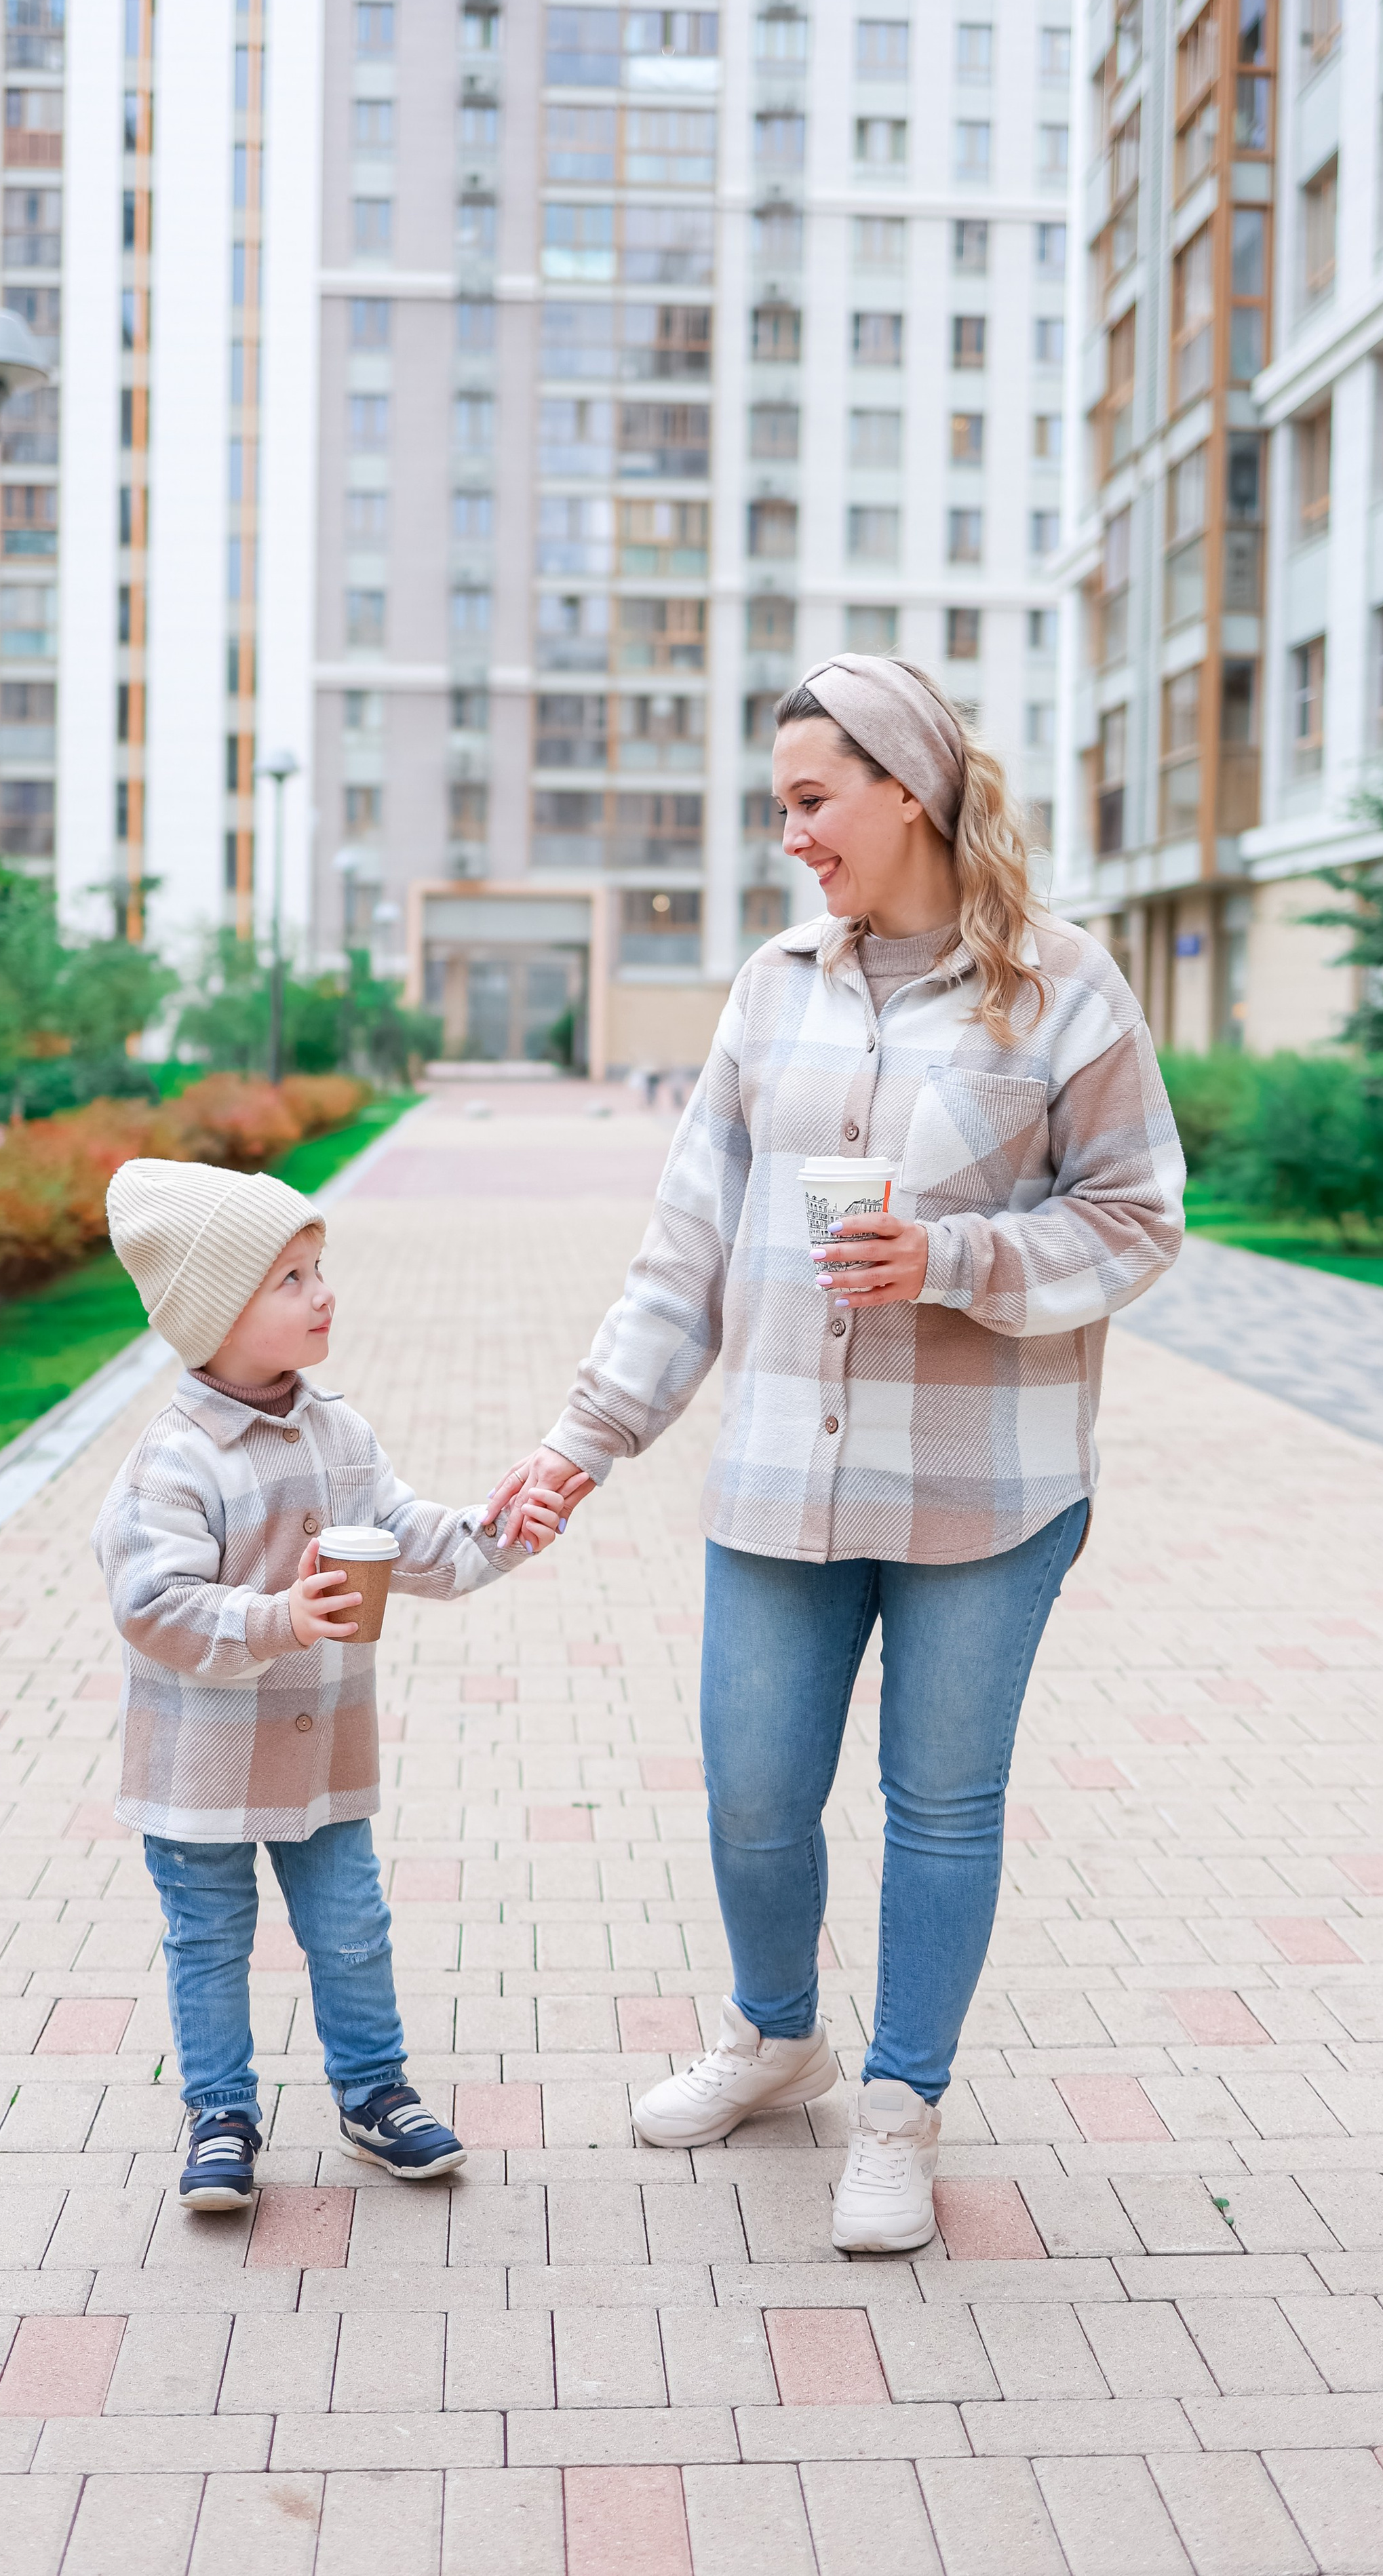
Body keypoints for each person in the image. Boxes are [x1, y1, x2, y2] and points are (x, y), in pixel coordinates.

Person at [484, 653, 1183, 2255]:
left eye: (811, 800)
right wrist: (586, 1438)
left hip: (987, 1488)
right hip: (779, 1480)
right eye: (780, 805)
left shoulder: (1063, 984)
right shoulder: (772, 985)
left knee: (939, 1804)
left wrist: (952, 1258)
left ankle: (898, 2106)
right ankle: (773, 2036)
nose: (790, 835)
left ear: (907, 791)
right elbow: (687, 1244)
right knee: (751, 1791)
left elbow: (1139, 1216)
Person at [95, 1156, 572, 2211]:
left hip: (319, 1759)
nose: (325, 1294)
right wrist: (280, 1618)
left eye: (320, 1269)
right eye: (292, 1278)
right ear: (219, 1312)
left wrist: (500, 1530)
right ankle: (221, 2112)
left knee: (352, 1927)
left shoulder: (338, 1432)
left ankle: (374, 2091)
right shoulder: (173, 1462)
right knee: (209, 1939)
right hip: (201, 1767)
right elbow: (152, 1603)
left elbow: (407, 1537)